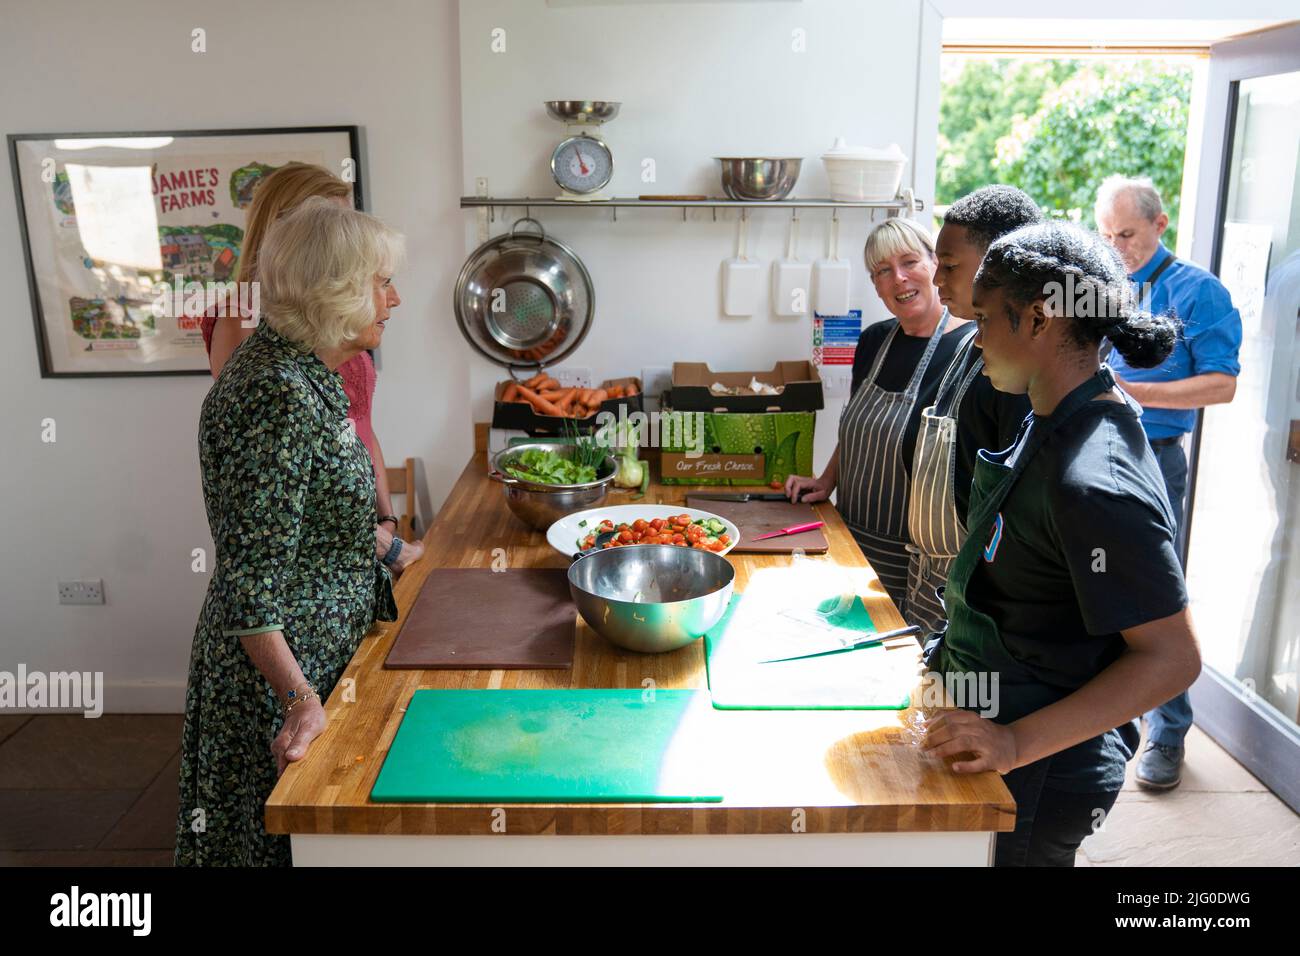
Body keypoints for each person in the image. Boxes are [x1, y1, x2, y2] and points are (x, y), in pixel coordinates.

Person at [921, 221, 1202, 866]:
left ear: (1041, 320)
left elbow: (1172, 658)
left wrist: (1015, 743)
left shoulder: (1093, 480)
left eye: (987, 319)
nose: (976, 336)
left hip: (1040, 768)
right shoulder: (1049, 414)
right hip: (990, 719)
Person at [175, 199, 404, 866]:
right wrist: (299, 701)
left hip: (318, 652)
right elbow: (250, 584)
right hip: (277, 676)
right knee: (271, 847)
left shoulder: (306, 375)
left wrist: (389, 546)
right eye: (380, 281)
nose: (395, 297)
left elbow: (318, 519)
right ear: (333, 291)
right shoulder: (278, 394)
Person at [202, 162, 423, 576]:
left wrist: (387, 518)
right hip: (315, 552)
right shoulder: (247, 327)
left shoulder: (335, 323)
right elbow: (273, 467)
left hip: (359, 529)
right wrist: (388, 547)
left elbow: (359, 422)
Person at [1094, 175, 1242, 790]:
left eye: (1126, 233)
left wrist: (1136, 393)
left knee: (1158, 595)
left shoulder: (1199, 292)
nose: (1117, 245)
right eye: (1107, 234)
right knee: (1096, 586)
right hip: (1097, 449)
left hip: (1156, 453)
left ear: (1159, 225)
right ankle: (1101, 722)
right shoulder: (1100, 285)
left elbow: (1222, 384)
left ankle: (1169, 732)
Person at [785, 218, 970, 610]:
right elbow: (858, 426)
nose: (899, 279)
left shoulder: (969, 352)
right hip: (848, 538)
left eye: (909, 262)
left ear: (935, 264)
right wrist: (826, 479)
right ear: (876, 285)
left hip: (916, 561)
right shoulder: (873, 340)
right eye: (883, 271)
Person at [904, 186, 1040, 634]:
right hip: (929, 577)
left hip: (973, 594)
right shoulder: (966, 343)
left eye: (950, 266)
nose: (936, 278)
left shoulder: (1015, 373)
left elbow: (1013, 512)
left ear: (999, 265)